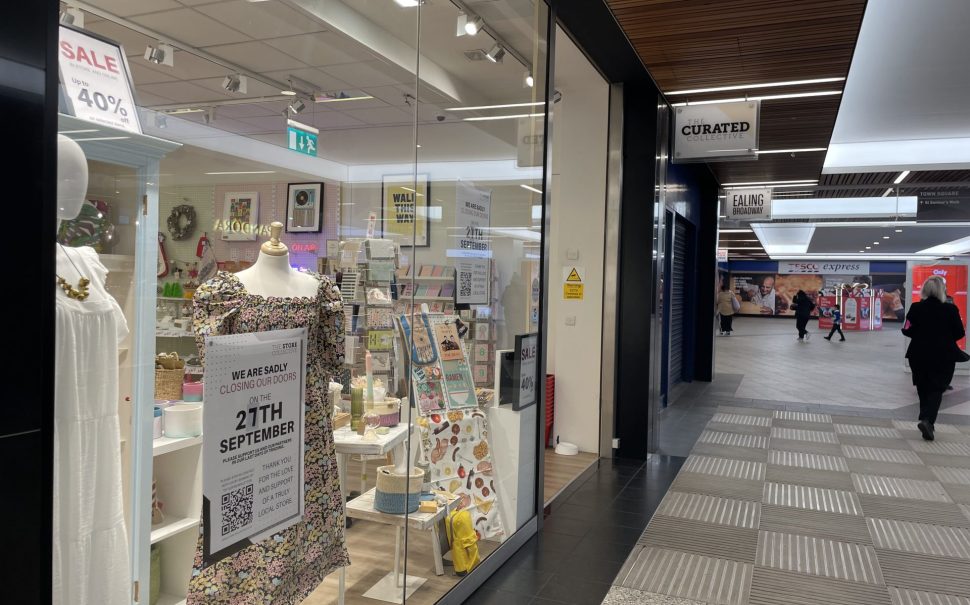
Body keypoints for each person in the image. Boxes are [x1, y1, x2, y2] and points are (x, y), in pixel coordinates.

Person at [904, 276, 965, 440]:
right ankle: (928, 420)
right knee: (937, 388)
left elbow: (906, 329)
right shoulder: (951, 310)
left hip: (918, 354)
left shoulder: (916, 307)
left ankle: (925, 417)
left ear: (925, 290)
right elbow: (960, 333)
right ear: (942, 291)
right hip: (943, 355)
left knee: (922, 385)